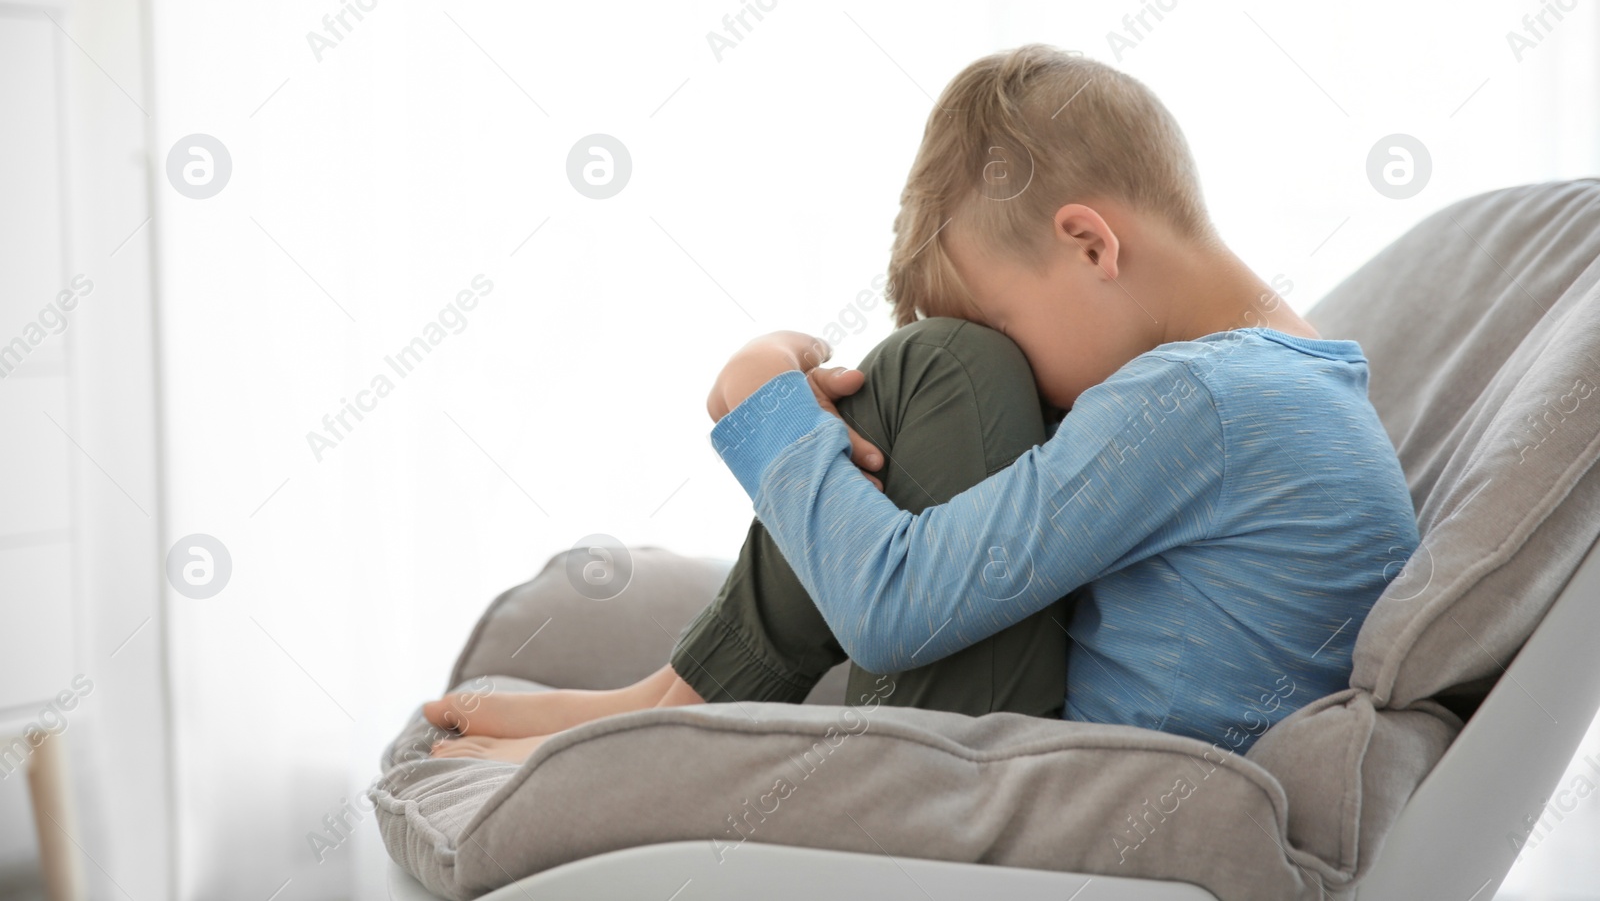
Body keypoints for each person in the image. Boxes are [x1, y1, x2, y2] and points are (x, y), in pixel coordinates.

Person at [426, 43, 1420, 763]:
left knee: (941, 367)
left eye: (1005, 321)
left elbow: (893, 609)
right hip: (1071, 743)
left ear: (1089, 244)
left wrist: (764, 403)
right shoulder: (1280, 380)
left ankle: (663, 712)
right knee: (923, 385)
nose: (1015, 369)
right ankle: (661, 700)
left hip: (1045, 784)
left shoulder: (1199, 398)